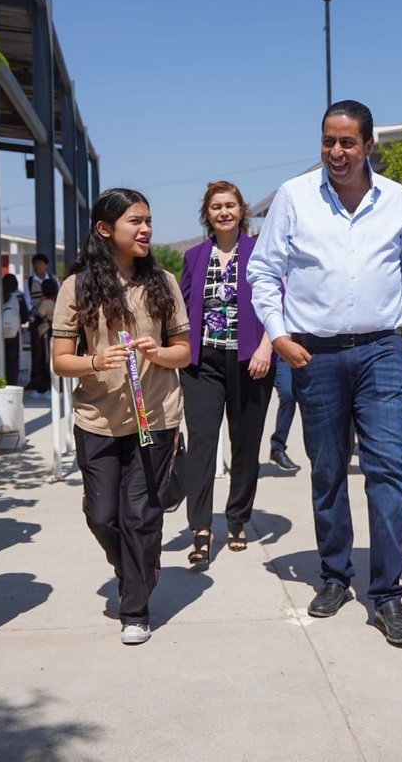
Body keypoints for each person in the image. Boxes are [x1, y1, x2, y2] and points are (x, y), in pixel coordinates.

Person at [248, 100, 402, 646]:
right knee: (327, 469)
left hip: (381, 350)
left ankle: (386, 595)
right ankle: (334, 575)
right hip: (315, 354)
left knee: (388, 470)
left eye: (348, 142)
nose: (336, 152)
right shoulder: (294, 196)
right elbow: (265, 272)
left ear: (368, 145)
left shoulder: (395, 199)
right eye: (328, 141)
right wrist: (279, 335)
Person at [51, 188, 190, 646]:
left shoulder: (164, 282)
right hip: (98, 420)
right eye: (135, 221)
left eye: (148, 220)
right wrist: (96, 361)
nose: (146, 229)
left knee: (140, 518)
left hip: (156, 419)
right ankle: (136, 567)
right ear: (105, 229)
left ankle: (136, 607)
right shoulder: (76, 286)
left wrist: (159, 353)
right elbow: (59, 360)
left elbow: (184, 352)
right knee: (102, 516)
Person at [167, 181, 274, 567]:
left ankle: (237, 519)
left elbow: (278, 301)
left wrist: (267, 346)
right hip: (203, 364)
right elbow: (181, 310)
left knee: (245, 446)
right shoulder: (194, 256)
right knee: (202, 445)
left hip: (252, 362)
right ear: (207, 213)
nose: (224, 212)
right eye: (216, 206)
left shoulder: (261, 251)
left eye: (230, 205)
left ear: (241, 210)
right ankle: (200, 527)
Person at [24, 253, 59, 393]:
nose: (37, 266)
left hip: (51, 322)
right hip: (36, 321)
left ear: (46, 265)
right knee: (37, 353)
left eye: (40, 263)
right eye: (35, 264)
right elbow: (27, 301)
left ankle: (51, 382)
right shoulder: (29, 281)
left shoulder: (53, 280)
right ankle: (37, 381)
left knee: (49, 352)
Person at [268, 358, 301, 472]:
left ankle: (277, 448)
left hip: (280, 355)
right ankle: (248, 455)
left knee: (289, 395)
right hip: (254, 352)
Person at [29, 278, 59, 400]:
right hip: (52, 332)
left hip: (45, 333)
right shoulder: (56, 300)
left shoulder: (46, 302)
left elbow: (39, 317)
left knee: (44, 360)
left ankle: (45, 388)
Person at [0, 274, 22, 385]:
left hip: (0, 333)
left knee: (3, 358)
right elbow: (25, 316)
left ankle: (2, 380)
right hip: (14, 333)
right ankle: (12, 383)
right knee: (13, 360)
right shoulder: (19, 297)